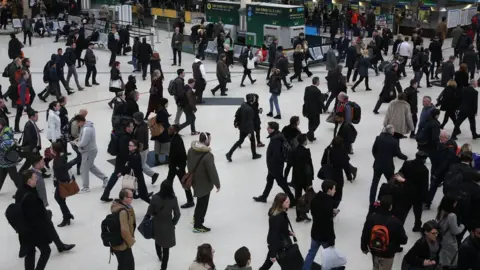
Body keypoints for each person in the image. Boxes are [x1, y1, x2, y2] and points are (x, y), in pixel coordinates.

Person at [361, 195, 408, 270]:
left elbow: (365, 234)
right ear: (390, 207)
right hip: (388, 253)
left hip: (374, 249)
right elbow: (403, 240)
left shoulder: (371, 218)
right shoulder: (396, 222)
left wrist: (364, 247)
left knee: (375, 267)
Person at [188, 132, 220, 233]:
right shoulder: (208, 156)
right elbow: (212, 171)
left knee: (199, 202)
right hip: (204, 183)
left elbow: (188, 163)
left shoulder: (191, 150)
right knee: (203, 204)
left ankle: (195, 218)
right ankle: (198, 225)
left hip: (194, 180)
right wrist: (217, 184)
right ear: (206, 141)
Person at [303, 180, 338, 270]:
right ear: (329, 190)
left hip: (315, 232)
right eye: (334, 189)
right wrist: (332, 239)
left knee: (311, 253)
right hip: (325, 237)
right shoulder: (329, 202)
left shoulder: (315, 198)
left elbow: (315, 213)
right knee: (329, 257)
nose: (335, 191)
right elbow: (328, 223)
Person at [147, 180, 181, 270]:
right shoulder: (173, 199)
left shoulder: (154, 198)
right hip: (168, 225)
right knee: (166, 248)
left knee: (157, 240)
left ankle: (159, 255)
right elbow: (177, 214)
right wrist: (173, 222)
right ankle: (163, 267)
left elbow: (149, 212)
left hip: (157, 223)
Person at [370, 125, 408, 204]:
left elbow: (374, 150)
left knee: (374, 183)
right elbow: (398, 154)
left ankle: (371, 201)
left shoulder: (378, 138)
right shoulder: (394, 141)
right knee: (391, 183)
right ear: (392, 132)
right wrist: (405, 157)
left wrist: (377, 158)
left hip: (378, 164)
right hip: (388, 166)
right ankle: (389, 200)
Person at [258, 193, 294, 270]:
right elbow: (274, 235)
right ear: (280, 204)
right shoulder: (278, 218)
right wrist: (273, 254)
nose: (289, 203)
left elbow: (279, 229)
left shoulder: (278, 213)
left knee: (268, 264)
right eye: (286, 202)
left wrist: (288, 232)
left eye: (288, 201)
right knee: (286, 265)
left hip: (279, 244)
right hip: (279, 245)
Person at [73, 115, 108, 192]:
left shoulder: (87, 129)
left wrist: (76, 143)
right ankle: (105, 178)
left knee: (84, 169)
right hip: (89, 151)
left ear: (81, 121)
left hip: (88, 151)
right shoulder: (86, 126)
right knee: (90, 166)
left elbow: (83, 142)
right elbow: (83, 138)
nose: (77, 125)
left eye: (77, 123)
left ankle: (86, 187)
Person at [397, 151, 429, 232]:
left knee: (403, 211)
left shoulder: (407, 164)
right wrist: (425, 198)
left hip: (406, 190)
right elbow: (424, 186)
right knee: (417, 211)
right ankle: (417, 225)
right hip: (417, 194)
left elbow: (400, 173)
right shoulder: (424, 170)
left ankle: (399, 226)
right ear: (424, 159)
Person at [226, 94, 262, 162]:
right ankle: (254, 155)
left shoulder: (243, 105)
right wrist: (249, 131)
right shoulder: (250, 110)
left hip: (241, 127)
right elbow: (249, 122)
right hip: (247, 128)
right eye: (254, 98)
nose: (255, 99)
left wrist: (237, 123)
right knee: (253, 141)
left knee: (240, 141)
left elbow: (237, 114)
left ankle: (229, 154)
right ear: (251, 100)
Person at [166, 125, 194, 208]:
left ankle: (190, 200)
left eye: (170, 129)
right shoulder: (174, 138)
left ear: (174, 131)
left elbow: (182, 155)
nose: (168, 130)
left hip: (177, 167)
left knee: (184, 182)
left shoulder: (176, 141)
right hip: (173, 166)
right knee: (169, 182)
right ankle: (171, 197)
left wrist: (179, 166)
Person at [322, 137, 353, 208]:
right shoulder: (342, 152)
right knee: (338, 193)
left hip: (328, 174)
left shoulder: (328, 150)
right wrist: (349, 176)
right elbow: (346, 165)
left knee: (327, 192)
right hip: (338, 175)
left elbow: (323, 162)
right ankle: (333, 208)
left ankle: (327, 207)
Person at [110, 188, 136, 270]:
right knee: (129, 266)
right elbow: (124, 230)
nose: (132, 199)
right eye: (130, 197)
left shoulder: (120, 206)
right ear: (124, 198)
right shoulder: (123, 212)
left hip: (120, 243)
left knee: (122, 265)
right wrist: (131, 241)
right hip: (123, 245)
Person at [436, 195, 465, 268]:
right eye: (455, 202)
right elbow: (456, 231)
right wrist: (462, 226)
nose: (456, 204)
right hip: (449, 242)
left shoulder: (440, 211)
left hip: (441, 240)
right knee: (451, 263)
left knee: (443, 261)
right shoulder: (451, 216)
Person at [51, 142, 75, 227]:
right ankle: (67, 215)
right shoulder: (61, 157)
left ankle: (66, 217)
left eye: (51, 148)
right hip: (62, 181)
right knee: (61, 199)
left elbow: (60, 171)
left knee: (58, 198)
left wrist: (58, 180)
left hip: (61, 182)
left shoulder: (58, 160)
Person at [291, 134, 314, 221]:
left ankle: (299, 215)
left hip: (297, 176)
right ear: (304, 141)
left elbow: (291, 163)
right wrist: (310, 180)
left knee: (298, 195)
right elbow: (308, 166)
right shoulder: (306, 152)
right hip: (305, 177)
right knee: (309, 195)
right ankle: (304, 212)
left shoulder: (294, 151)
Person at [132, 112, 158, 183]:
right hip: (144, 149)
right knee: (142, 164)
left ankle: (153, 175)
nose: (133, 120)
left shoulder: (141, 129)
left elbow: (140, 143)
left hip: (142, 150)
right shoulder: (142, 125)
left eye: (134, 119)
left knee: (141, 165)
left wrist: (137, 151)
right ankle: (153, 175)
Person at [0, 118, 20, 192]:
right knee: (1, 177)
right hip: (2, 160)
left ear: (1, 125)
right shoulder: (1, 131)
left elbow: (6, 145)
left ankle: (22, 190)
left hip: (8, 160)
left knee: (14, 177)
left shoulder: (7, 132)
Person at [303, 77, 324, 142]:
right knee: (317, 122)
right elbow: (320, 101)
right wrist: (324, 107)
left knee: (311, 122)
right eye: (319, 81)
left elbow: (305, 98)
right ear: (317, 82)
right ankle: (309, 134)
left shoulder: (307, 88)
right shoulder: (317, 91)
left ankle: (311, 136)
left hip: (307, 108)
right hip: (315, 110)